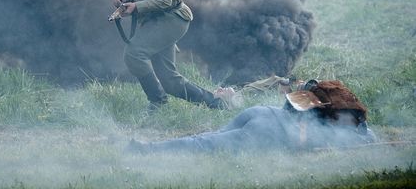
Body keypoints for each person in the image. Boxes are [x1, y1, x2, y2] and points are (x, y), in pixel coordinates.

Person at [102, 0, 223, 111]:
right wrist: (121, 2)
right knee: (170, 81)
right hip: (155, 23)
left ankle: (158, 102)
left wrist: (137, 7)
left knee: (134, 53)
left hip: (173, 18)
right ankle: (218, 104)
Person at [127, 80, 376, 153]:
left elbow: (294, 104)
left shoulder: (320, 100)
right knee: (205, 144)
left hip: (262, 114)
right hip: (266, 131)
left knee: (208, 139)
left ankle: (150, 148)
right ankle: (145, 151)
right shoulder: (347, 132)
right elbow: (368, 138)